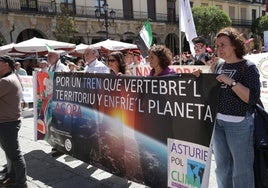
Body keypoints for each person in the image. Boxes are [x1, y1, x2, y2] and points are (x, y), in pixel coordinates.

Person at [193, 27, 260, 188]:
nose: (218, 49)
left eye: (223, 44)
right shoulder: (218, 66)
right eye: (216, 45)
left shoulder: (248, 67)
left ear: (235, 46)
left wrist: (231, 82)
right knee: (222, 168)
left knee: (241, 169)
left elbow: (252, 98)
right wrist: (200, 77)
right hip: (218, 123)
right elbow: (211, 90)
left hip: (240, 124)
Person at [0, 55, 27, 187]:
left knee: (14, 154)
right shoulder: (10, 78)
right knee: (10, 152)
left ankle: (21, 182)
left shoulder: (5, 81)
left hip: (7, 123)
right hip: (8, 121)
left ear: (6, 65)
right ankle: (12, 176)